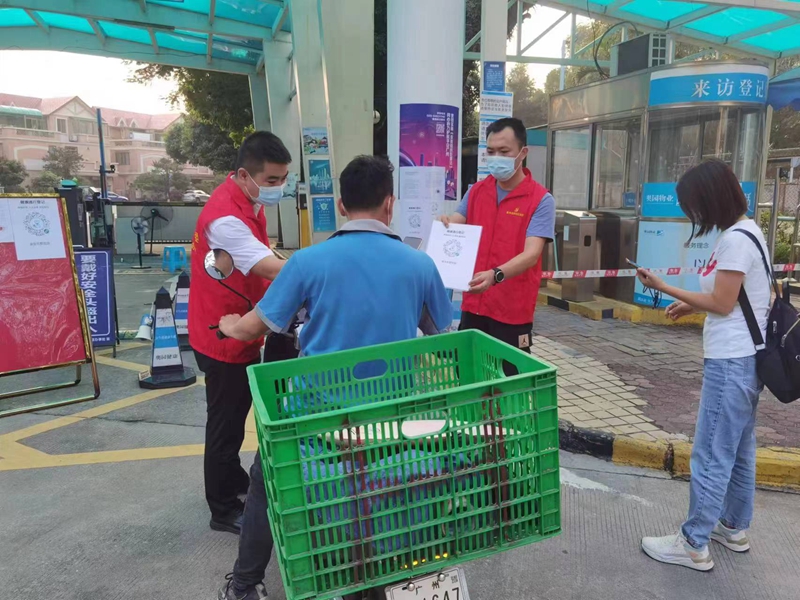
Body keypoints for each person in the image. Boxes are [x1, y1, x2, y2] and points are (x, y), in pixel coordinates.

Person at [214, 155, 453, 600]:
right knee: (393, 491)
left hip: (316, 424)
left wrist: (229, 325)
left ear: (342, 206)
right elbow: (445, 335)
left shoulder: (307, 262)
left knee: (267, 476)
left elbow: (253, 327)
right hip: (391, 423)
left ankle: (245, 585)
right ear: (390, 204)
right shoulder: (420, 265)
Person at [637, 159, 770, 571]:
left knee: (712, 452)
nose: (691, 215)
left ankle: (693, 543)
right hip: (745, 360)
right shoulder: (748, 232)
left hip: (731, 363)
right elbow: (733, 300)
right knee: (738, 449)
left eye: (692, 205)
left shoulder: (735, 241)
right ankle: (733, 526)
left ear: (709, 200)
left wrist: (664, 287)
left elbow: (723, 303)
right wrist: (689, 305)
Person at [188, 131, 291, 535]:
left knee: (234, 416)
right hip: (223, 333)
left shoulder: (247, 202)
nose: (279, 187)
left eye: (284, 178)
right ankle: (223, 508)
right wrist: (325, 268)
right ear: (244, 175)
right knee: (226, 424)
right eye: (272, 180)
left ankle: (233, 485)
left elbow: (266, 254)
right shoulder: (225, 219)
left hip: (238, 326)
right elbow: (268, 267)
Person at [440, 117, 555, 358]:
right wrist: (445, 225)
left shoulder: (540, 200)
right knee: (469, 373)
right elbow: (456, 222)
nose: (496, 157)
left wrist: (495, 275)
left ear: (523, 153)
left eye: (504, 151)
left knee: (509, 376)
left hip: (511, 312)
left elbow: (532, 254)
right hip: (474, 305)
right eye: (491, 151)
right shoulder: (476, 191)